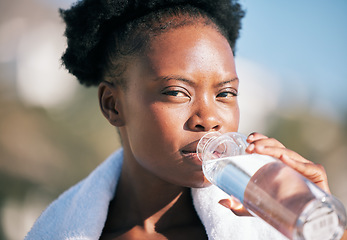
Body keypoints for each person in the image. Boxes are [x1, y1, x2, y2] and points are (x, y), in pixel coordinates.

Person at [25, 0, 347, 239]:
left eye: (225, 94)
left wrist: (326, 228)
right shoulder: (58, 231)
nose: (209, 119)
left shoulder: (270, 226)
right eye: (177, 92)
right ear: (113, 105)